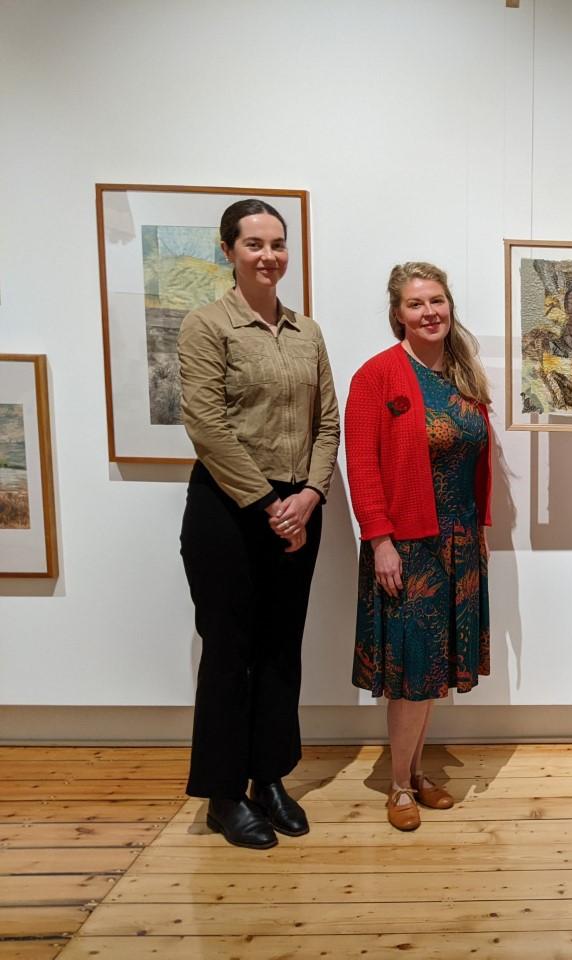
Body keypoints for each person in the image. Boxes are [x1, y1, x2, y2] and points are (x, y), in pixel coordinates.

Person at [178, 198, 340, 850]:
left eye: (277, 243)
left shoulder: (308, 332)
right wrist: (269, 504)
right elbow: (207, 425)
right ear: (229, 251)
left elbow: (327, 420)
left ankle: (269, 778)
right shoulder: (205, 325)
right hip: (228, 511)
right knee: (229, 655)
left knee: (280, 650)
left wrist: (310, 496)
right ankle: (223, 794)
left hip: (298, 509)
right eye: (254, 244)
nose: (268, 255)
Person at [345, 262, 493, 832]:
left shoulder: (463, 375)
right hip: (407, 545)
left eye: (437, 301)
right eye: (415, 304)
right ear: (397, 313)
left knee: (431, 672)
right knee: (411, 672)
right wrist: (379, 539)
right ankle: (400, 786)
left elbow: (472, 461)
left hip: (458, 542)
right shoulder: (377, 375)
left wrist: (478, 531)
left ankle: (415, 771)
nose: (429, 312)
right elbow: (361, 465)